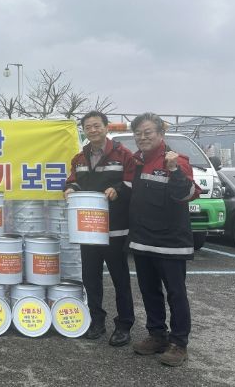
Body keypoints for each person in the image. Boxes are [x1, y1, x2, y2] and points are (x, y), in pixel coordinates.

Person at [128, 112, 200, 367]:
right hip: (143, 240)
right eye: (138, 133)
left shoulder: (176, 160)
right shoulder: (136, 161)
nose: (142, 137)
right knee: (149, 291)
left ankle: (179, 343)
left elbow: (187, 194)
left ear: (161, 134)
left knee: (176, 294)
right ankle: (157, 335)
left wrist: (174, 170)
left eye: (148, 132)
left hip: (171, 243)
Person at [64, 111, 135, 346]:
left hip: (114, 228)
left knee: (120, 278)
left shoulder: (123, 154)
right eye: (88, 127)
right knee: (90, 278)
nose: (93, 130)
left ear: (106, 127)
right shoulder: (79, 158)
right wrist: (70, 189)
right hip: (88, 229)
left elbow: (132, 182)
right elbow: (73, 180)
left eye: (97, 126)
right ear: (84, 130)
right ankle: (96, 320)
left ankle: (124, 325)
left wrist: (118, 190)